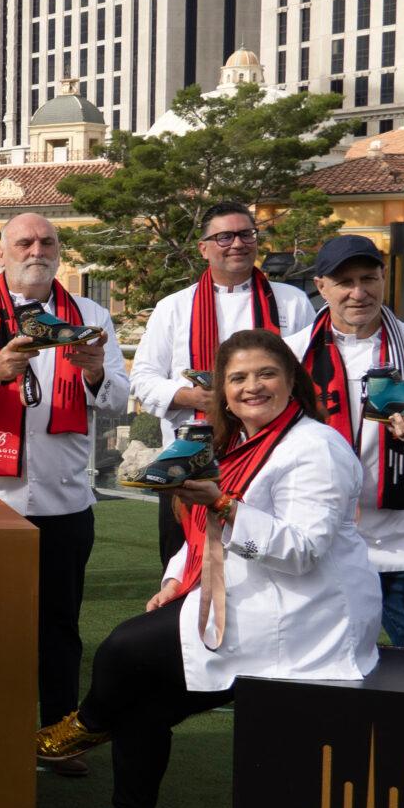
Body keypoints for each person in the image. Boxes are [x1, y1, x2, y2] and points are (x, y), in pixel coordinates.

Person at [39, 331, 378, 808]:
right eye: (237, 378)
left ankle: (88, 723)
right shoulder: (234, 442)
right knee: (142, 699)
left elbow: (303, 551)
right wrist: (175, 580)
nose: (251, 387)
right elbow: (201, 534)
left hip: (305, 617)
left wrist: (223, 503)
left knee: (124, 649)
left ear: (292, 379)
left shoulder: (317, 448)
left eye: (266, 374)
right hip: (243, 596)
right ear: (222, 391)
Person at [0, 213, 126, 765]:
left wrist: (95, 373)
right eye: (24, 242)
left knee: (60, 629)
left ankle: (58, 737)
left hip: (65, 500)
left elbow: (117, 399)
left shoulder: (90, 317)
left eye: (46, 241)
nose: (36, 250)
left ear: (59, 251)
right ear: (2, 253)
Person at [288, 234, 404, 650]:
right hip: (317, 542)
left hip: (397, 547)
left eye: (368, 278)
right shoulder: (290, 356)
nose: (359, 292)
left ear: (384, 278)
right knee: (313, 667)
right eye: (345, 282)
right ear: (321, 287)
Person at [128, 201, 315, 560]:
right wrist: (193, 397)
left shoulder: (291, 302)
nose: (238, 244)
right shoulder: (174, 307)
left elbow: (307, 376)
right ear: (203, 248)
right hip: (189, 465)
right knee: (184, 568)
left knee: (262, 559)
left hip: (272, 457)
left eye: (247, 234)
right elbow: (143, 378)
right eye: (225, 237)